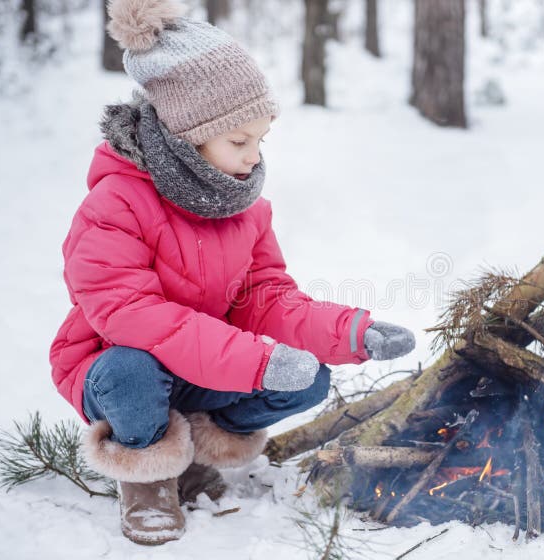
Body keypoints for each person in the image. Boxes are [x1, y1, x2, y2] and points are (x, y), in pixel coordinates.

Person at [48, 0, 415, 546]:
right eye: (238, 142)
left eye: (260, 141)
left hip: (199, 367)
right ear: (184, 137)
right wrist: (256, 361)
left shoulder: (245, 210)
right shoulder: (115, 204)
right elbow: (132, 317)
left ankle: (195, 455)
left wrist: (350, 332)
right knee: (132, 373)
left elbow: (266, 297)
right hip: (118, 365)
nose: (253, 159)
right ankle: (149, 477)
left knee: (308, 377)